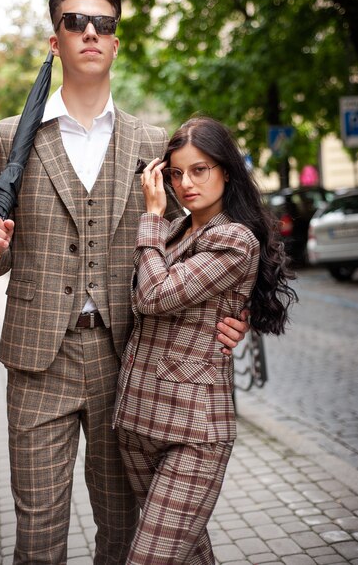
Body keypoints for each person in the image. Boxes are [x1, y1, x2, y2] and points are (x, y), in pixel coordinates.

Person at [0, 0, 248, 564]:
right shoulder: (9, 139)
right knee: (38, 538)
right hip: (38, 359)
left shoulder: (153, 141)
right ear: (55, 41)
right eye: (74, 22)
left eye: (104, 24)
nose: (90, 32)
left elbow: (195, 240)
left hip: (129, 360)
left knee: (121, 534)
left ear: (117, 43)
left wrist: (236, 309)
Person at [113, 116, 298, 564]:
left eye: (200, 170)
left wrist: (152, 217)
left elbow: (155, 296)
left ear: (226, 170)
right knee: (190, 555)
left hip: (195, 432)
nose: (186, 184)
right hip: (138, 419)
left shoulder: (233, 239)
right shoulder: (178, 232)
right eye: (176, 173)